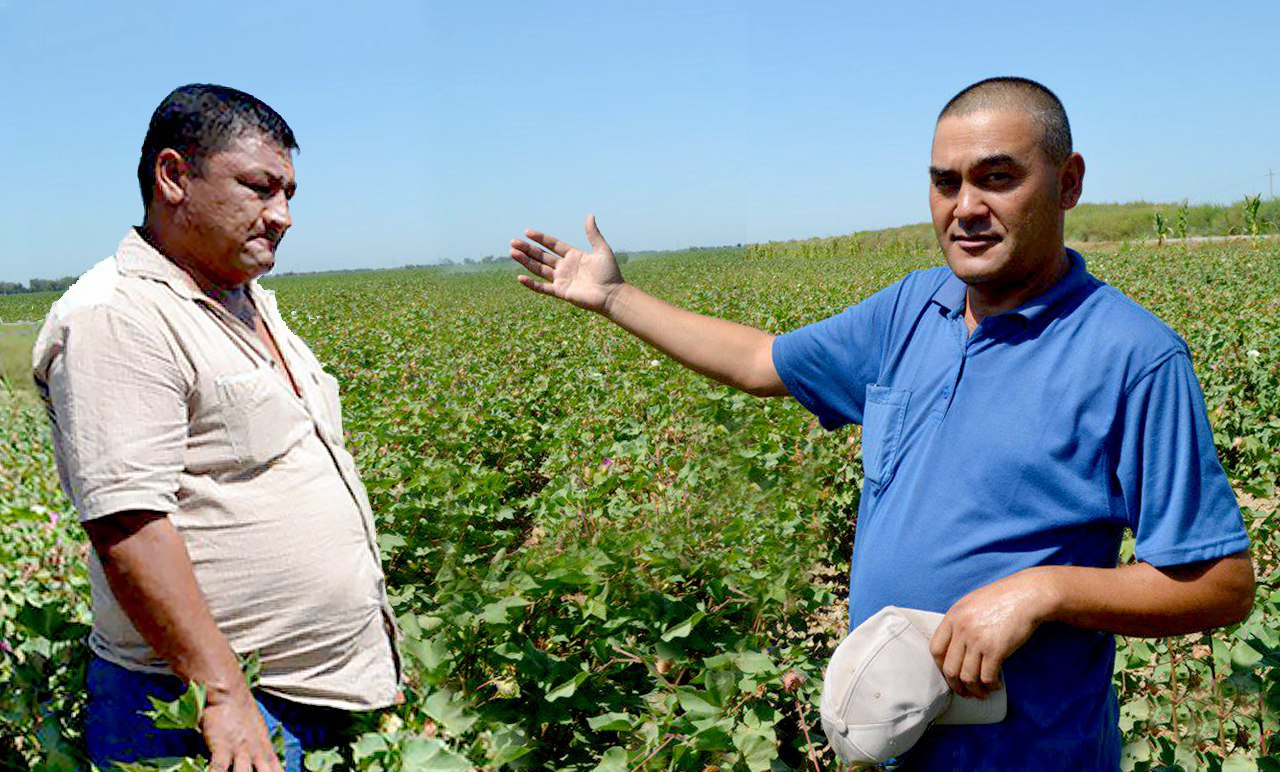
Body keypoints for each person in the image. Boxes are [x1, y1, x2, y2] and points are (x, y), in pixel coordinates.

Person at [509, 77, 1255, 768]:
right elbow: (762, 361)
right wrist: (614, 299)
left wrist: (1044, 590)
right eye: (945, 182)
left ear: (1067, 184)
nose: (965, 207)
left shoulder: (1130, 356)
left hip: (1032, 754)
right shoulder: (910, 310)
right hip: (898, 740)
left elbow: (1221, 584)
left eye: (997, 177)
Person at [32, 84, 400, 772]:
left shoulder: (245, 300)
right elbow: (128, 526)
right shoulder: (118, 315)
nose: (282, 215)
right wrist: (221, 693)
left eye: (289, 193)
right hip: (201, 711)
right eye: (260, 188)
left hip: (309, 696)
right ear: (173, 177)